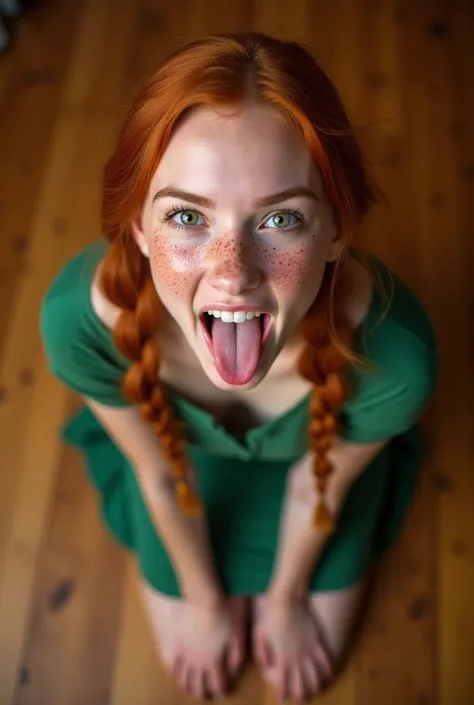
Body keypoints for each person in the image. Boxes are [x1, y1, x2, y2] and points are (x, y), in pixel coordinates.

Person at [40, 33, 438, 703]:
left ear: (337, 227)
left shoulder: (394, 358)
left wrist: (284, 600)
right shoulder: (79, 326)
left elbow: (320, 491)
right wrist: (205, 600)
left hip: (318, 476)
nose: (233, 274)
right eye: (188, 216)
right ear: (139, 225)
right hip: (179, 476)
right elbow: (160, 475)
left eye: (280, 217)